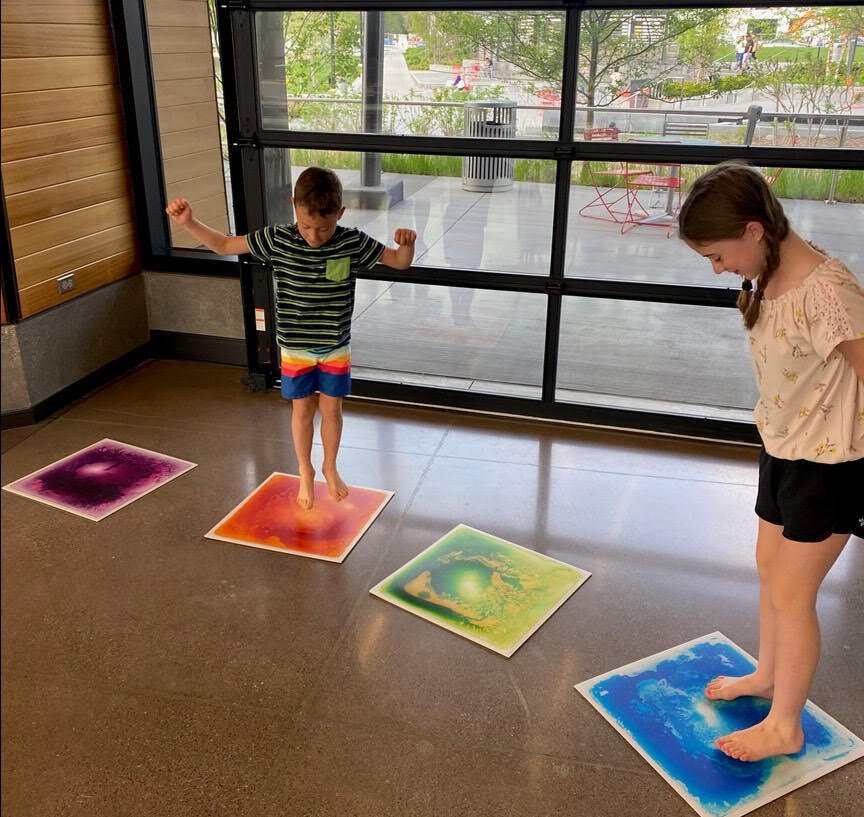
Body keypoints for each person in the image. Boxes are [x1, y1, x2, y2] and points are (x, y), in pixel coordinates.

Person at [678, 160, 864, 763]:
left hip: (830, 463)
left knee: (792, 594)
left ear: (754, 230)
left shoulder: (827, 293)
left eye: (718, 254)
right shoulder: (772, 276)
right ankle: (765, 674)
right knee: (768, 570)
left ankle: (787, 725)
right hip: (784, 447)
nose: (718, 268)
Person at [166, 167, 417, 510]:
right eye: (306, 226)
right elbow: (225, 244)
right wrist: (189, 223)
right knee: (302, 410)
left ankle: (330, 466)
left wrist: (407, 244)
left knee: (332, 410)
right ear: (293, 206)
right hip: (296, 349)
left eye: (324, 228)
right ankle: (305, 469)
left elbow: (398, 262)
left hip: (335, 347)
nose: (314, 236)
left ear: (340, 214)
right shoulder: (278, 239)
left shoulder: (351, 241)